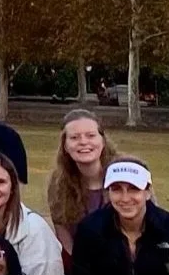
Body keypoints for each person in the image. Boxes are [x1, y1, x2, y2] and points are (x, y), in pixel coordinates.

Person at [46, 108, 117, 259]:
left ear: (102, 141)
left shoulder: (125, 173)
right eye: (74, 137)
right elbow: (62, 230)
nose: (83, 142)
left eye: (91, 135)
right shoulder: (58, 183)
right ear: (65, 145)